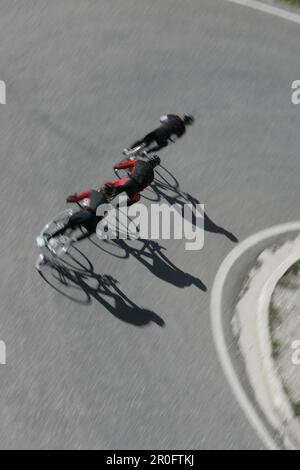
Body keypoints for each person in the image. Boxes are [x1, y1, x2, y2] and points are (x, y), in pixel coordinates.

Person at [123, 113, 195, 155]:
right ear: (188, 123)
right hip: (163, 138)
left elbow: (161, 119)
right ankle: (146, 153)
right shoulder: (182, 130)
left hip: (158, 131)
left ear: (184, 117)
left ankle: (129, 149)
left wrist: (165, 124)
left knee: (144, 140)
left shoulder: (174, 117)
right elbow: (173, 139)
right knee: (162, 145)